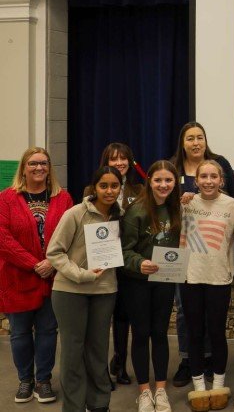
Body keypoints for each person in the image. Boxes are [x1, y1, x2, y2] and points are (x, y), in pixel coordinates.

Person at [46, 166, 122, 412]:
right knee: (72, 352)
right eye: (104, 186)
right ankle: (74, 406)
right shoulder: (75, 214)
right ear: (94, 188)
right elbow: (54, 253)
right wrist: (81, 275)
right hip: (70, 291)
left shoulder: (121, 216)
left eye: (114, 186)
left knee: (98, 351)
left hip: (105, 291)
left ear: (120, 188)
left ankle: (99, 404)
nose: (109, 191)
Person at [0, 147, 72, 404]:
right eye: (33, 163)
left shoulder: (63, 199)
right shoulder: (6, 198)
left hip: (53, 278)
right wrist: (34, 264)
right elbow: (3, 238)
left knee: (48, 330)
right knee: (19, 333)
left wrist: (51, 263)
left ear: (49, 167)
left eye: (43, 163)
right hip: (18, 278)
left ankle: (43, 381)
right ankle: (24, 380)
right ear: (23, 168)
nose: (39, 168)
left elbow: (70, 235)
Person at [170, 121, 234, 386]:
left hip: (214, 255)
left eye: (200, 137)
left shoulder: (220, 163)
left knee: (212, 319)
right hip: (184, 255)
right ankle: (188, 361)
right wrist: (181, 199)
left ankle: (210, 361)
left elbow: (230, 200)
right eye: (190, 138)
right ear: (182, 143)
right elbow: (163, 204)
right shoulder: (172, 167)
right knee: (185, 313)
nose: (196, 142)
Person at [120, 160, 182, 412]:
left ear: (175, 182)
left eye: (168, 180)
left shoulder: (177, 208)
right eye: (158, 180)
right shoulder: (137, 211)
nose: (163, 185)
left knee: (160, 334)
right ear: (150, 182)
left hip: (164, 281)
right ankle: (144, 391)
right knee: (141, 333)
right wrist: (139, 262)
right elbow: (123, 251)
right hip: (137, 283)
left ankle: (160, 389)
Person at [180, 159, 234, 411]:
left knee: (217, 332)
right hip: (190, 277)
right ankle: (198, 387)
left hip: (219, 278)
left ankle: (218, 383)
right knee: (194, 333)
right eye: (203, 177)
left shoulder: (232, 205)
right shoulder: (186, 203)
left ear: (221, 180)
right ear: (196, 181)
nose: (208, 181)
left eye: (213, 177)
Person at [84, 143, 144, 386]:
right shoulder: (91, 189)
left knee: (122, 316)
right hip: (102, 260)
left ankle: (120, 363)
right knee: (100, 318)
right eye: (114, 158)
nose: (119, 162)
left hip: (128, 260)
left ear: (130, 161)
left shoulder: (139, 189)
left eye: (123, 158)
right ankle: (98, 372)